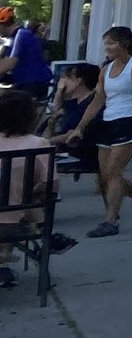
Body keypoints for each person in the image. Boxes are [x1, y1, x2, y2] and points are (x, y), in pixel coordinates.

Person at [54, 28, 132, 237]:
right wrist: (80, 128)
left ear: (125, 44)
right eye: (106, 44)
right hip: (108, 122)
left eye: (111, 44)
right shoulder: (106, 70)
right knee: (105, 176)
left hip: (129, 121)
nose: (107, 48)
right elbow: (97, 101)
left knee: (113, 171)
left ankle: (110, 222)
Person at [0, 88, 78, 287]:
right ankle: (47, 235)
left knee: (14, 194)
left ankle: (4, 264)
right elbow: (51, 185)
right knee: (27, 195)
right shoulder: (38, 144)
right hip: (16, 225)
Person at [2, 8, 52, 97]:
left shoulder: (20, 35)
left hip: (32, 82)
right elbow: (4, 61)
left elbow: (10, 63)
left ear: (3, 25)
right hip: (28, 81)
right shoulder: (14, 37)